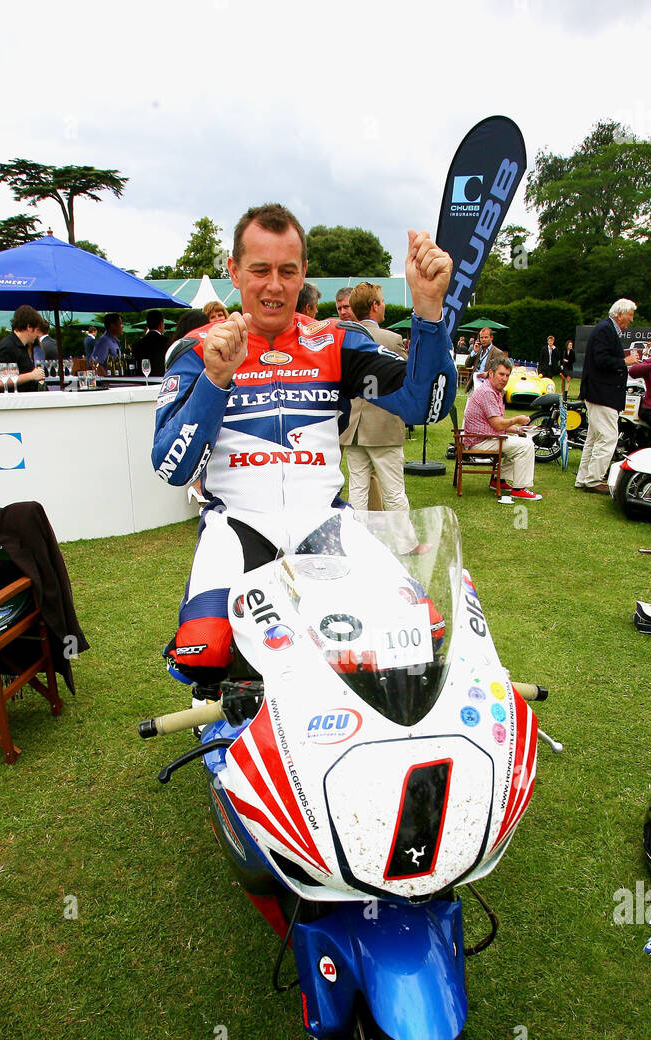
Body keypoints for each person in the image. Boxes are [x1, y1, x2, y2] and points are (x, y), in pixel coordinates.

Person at [152, 201, 456, 687]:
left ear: (303, 274)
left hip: (324, 523)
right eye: (260, 270)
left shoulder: (337, 342)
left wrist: (428, 312)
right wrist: (214, 380)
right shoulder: (198, 348)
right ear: (233, 270)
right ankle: (230, 721)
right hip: (239, 524)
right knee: (202, 650)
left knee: (425, 625)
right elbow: (170, 466)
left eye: (287, 271)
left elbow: (427, 404)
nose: (274, 285)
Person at [340, 281, 413, 526]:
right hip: (383, 426)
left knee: (357, 490)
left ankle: (356, 540)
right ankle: (404, 542)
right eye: (381, 302)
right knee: (393, 491)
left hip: (353, 427)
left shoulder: (344, 338)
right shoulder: (392, 340)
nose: (383, 307)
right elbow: (405, 380)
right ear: (374, 306)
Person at [575, 298, 640, 493]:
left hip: (599, 393)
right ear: (620, 314)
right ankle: (593, 480)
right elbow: (601, 360)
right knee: (608, 438)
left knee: (594, 438)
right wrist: (624, 361)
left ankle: (584, 478)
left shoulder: (605, 329)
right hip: (603, 393)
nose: (631, 319)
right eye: (630, 315)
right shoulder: (605, 330)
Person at [462, 355, 542, 503]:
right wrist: (517, 419)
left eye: (507, 375)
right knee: (526, 445)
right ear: (491, 373)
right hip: (479, 441)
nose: (504, 378)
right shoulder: (487, 392)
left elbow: (498, 423)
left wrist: (519, 430)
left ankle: (498, 480)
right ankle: (519, 489)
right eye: (501, 374)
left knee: (519, 440)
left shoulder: (493, 390)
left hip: (485, 437)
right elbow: (498, 425)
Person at [0, 305, 48, 392]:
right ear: (29, 327)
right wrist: (31, 375)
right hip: (14, 402)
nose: (37, 334)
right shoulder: (7, 346)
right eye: (37, 330)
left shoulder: (22, 346)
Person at [131, 310, 169, 377]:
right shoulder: (167, 341)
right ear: (161, 324)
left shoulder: (137, 344)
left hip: (142, 381)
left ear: (147, 325)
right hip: (162, 379)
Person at [465, 327, 502, 393]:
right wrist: (474, 352)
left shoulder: (498, 353)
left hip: (488, 387)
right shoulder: (477, 350)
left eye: (486, 337)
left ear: (491, 338)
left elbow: (499, 372)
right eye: (481, 338)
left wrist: (487, 374)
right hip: (475, 385)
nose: (483, 339)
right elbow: (467, 365)